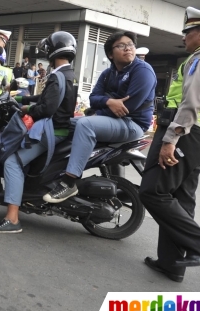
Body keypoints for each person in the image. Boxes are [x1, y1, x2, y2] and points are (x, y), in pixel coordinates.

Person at [139, 7, 200, 283]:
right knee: (182, 199)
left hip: (186, 135)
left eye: (187, 32)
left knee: (153, 192)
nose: (183, 38)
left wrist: (170, 139)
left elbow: (191, 102)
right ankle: (172, 264)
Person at [43, 30, 156, 203]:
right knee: (61, 123)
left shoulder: (143, 71)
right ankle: (48, 171)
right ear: (111, 54)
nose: (128, 49)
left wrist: (100, 109)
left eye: (130, 45)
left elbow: (127, 107)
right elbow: (93, 98)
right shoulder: (108, 73)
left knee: (86, 124)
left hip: (132, 124)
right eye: (121, 46)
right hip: (110, 120)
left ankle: (69, 181)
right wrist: (110, 102)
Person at [0, 32, 78, 233]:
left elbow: (46, 109)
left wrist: (26, 110)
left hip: (51, 131)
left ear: (54, 52)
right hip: (58, 129)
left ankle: (12, 219)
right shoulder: (67, 74)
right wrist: (20, 100)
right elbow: (46, 100)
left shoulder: (58, 76)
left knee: (12, 161)